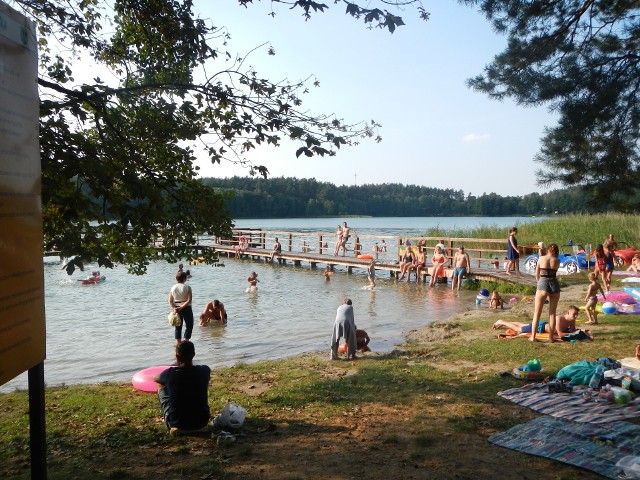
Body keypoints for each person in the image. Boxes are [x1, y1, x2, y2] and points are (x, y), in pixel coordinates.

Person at [154, 341, 211, 434]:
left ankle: (173, 422)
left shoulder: (170, 373)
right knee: (201, 381)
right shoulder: (204, 370)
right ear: (194, 354)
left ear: (177, 356)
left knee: (160, 384)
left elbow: (155, 378)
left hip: (177, 423)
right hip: (202, 422)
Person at [530, 243, 561, 342]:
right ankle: (551, 338)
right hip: (554, 284)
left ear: (548, 250)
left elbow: (537, 275)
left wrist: (540, 283)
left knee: (537, 313)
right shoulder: (557, 260)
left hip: (543, 283)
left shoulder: (541, 258)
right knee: (552, 313)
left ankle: (533, 337)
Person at [493, 306, 583, 338]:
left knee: (522, 325)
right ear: (567, 313)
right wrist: (573, 333)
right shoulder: (559, 318)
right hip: (540, 327)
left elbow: (572, 331)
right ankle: (502, 322)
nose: (575, 316)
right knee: (518, 329)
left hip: (542, 326)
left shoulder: (571, 320)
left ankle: (504, 322)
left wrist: (575, 332)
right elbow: (560, 334)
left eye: (576, 315)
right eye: (574, 314)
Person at [169, 271, 193, 344]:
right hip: (186, 308)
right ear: (184, 278)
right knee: (189, 325)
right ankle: (186, 341)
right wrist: (182, 307)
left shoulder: (173, 288)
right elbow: (189, 300)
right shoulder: (187, 287)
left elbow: (170, 301)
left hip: (176, 308)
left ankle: (178, 343)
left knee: (178, 327)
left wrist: (174, 308)